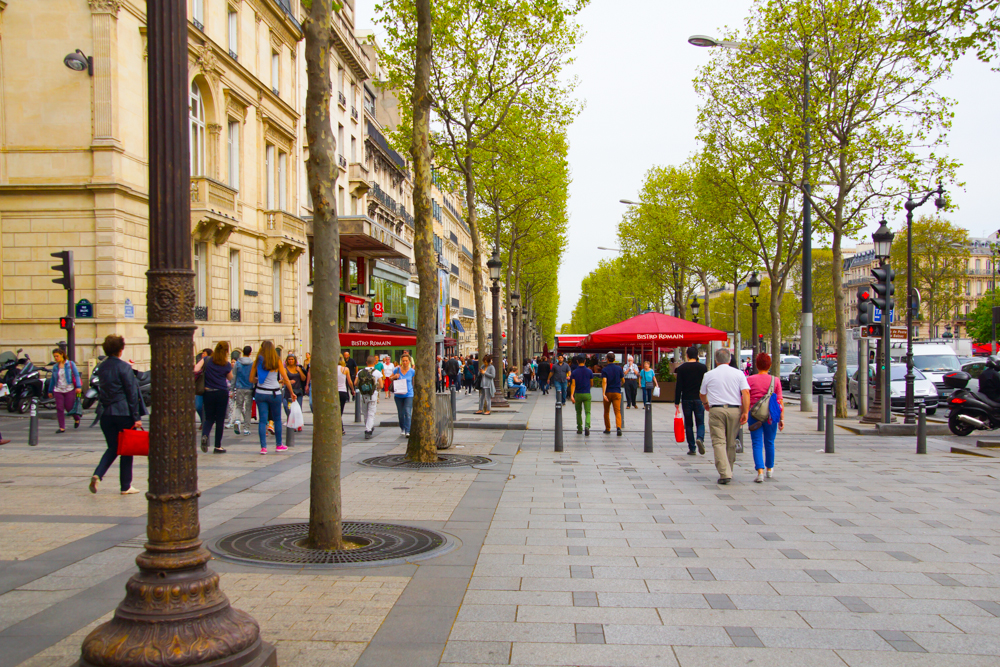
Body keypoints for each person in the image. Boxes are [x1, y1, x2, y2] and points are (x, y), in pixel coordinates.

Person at [89, 334, 142, 495]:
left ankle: (98, 474)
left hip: (105, 413)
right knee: (126, 449)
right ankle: (125, 485)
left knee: (113, 447)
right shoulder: (124, 367)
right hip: (123, 412)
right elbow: (131, 393)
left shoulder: (101, 367)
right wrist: (136, 417)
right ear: (120, 350)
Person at [700, 348, 750, 485]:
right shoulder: (739, 374)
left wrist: (706, 404)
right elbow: (745, 393)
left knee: (718, 442)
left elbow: (702, 393)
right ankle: (729, 470)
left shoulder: (709, 374)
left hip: (716, 410)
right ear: (729, 359)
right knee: (731, 442)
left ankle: (724, 472)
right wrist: (745, 411)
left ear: (716, 360)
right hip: (734, 410)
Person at [250, 340, 296, 454]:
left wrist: (259, 380)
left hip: (260, 393)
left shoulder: (257, 361)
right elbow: (285, 378)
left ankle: (263, 447)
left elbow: (251, 379)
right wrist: (291, 392)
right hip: (274, 393)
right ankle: (279, 445)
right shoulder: (277, 361)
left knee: (262, 420)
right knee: (277, 419)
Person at [747, 353, 783, 483]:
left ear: (756, 365)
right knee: (769, 442)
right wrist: (781, 418)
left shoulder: (749, 380)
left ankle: (760, 471)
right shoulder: (775, 380)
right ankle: (769, 469)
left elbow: (745, 398)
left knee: (756, 443)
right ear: (770, 365)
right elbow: (779, 401)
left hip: (754, 414)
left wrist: (744, 413)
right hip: (771, 416)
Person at [195, 341, 233, 454]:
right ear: (226, 351)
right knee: (220, 420)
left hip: (208, 392)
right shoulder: (226, 364)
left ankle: (205, 435)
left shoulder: (207, 360)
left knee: (209, 418)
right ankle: (218, 446)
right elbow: (230, 377)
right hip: (221, 393)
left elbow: (196, 369)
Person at [675, 346, 708, 455]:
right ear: (697, 355)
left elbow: (678, 386)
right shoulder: (703, 368)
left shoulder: (681, 368)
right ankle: (700, 438)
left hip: (686, 399)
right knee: (700, 422)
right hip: (699, 399)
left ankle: (692, 447)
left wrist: (676, 401)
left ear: (687, 355)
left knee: (688, 424)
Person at [47, 347, 82, 433]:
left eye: (57, 356)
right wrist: (50, 390)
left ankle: (76, 418)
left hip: (69, 389)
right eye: (54, 356)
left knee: (69, 408)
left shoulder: (70, 364)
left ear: (62, 354)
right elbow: (53, 379)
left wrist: (78, 386)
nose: (56, 358)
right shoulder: (55, 367)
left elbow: (76, 375)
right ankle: (61, 427)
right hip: (58, 389)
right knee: (59, 408)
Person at [389, 354, 415, 436]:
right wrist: (394, 377)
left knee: (407, 411)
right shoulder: (397, 370)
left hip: (409, 394)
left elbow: (415, 381)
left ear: (409, 361)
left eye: (406, 361)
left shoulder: (412, 371)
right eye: (403, 361)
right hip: (398, 395)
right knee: (401, 413)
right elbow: (390, 378)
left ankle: (408, 430)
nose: (405, 362)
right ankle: (403, 428)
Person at [356, 356, 382, 439]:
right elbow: (381, 385)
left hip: (363, 395)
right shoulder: (377, 372)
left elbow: (355, 383)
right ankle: (368, 430)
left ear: (366, 362)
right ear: (374, 362)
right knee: (371, 413)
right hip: (373, 395)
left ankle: (368, 426)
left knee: (365, 412)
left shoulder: (360, 372)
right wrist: (374, 387)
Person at [231, 345, 254, 434]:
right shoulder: (252, 363)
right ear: (250, 353)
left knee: (239, 406)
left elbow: (234, 376)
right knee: (248, 408)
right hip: (249, 388)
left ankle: (237, 420)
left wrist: (232, 389)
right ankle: (246, 428)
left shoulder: (237, 363)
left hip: (239, 387)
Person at [569, 355, 594, 436]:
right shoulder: (589, 371)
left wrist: (572, 395)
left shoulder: (574, 372)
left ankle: (579, 428)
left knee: (578, 412)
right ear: (585, 361)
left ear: (577, 361)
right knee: (588, 412)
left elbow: (573, 384)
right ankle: (587, 425)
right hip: (587, 393)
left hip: (578, 394)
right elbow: (592, 383)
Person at [601, 352, 624, 436]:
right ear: (614, 359)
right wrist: (620, 383)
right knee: (617, 411)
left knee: (606, 411)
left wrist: (603, 393)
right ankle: (618, 427)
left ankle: (608, 428)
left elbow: (604, 381)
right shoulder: (619, 369)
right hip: (617, 392)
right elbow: (623, 379)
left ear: (607, 359)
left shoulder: (605, 370)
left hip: (607, 392)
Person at [335, 354, 355, 435]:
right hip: (343, 391)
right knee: (340, 411)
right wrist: (352, 390)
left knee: (336, 411)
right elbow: (349, 381)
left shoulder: (332, 369)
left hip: (335, 392)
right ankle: (341, 428)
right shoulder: (345, 369)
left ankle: (340, 428)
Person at [284, 354, 307, 420]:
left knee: (298, 409)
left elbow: (303, 378)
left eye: (292, 359)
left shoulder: (298, 368)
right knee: (289, 409)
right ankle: (291, 422)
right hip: (289, 391)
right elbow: (282, 380)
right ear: (287, 361)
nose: (291, 361)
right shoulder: (285, 369)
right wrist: (289, 381)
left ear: (295, 360)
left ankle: (298, 423)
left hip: (298, 391)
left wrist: (299, 371)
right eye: (289, 359)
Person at [194, 347, 211, 423]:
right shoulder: (201, 361)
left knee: (206, 406)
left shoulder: (209, 361)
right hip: (201, 386)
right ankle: (203, 421)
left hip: (209, 386)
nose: (202, 355)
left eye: (204, 353)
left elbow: (195, 369)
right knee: (198, 406)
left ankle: (206, 421)